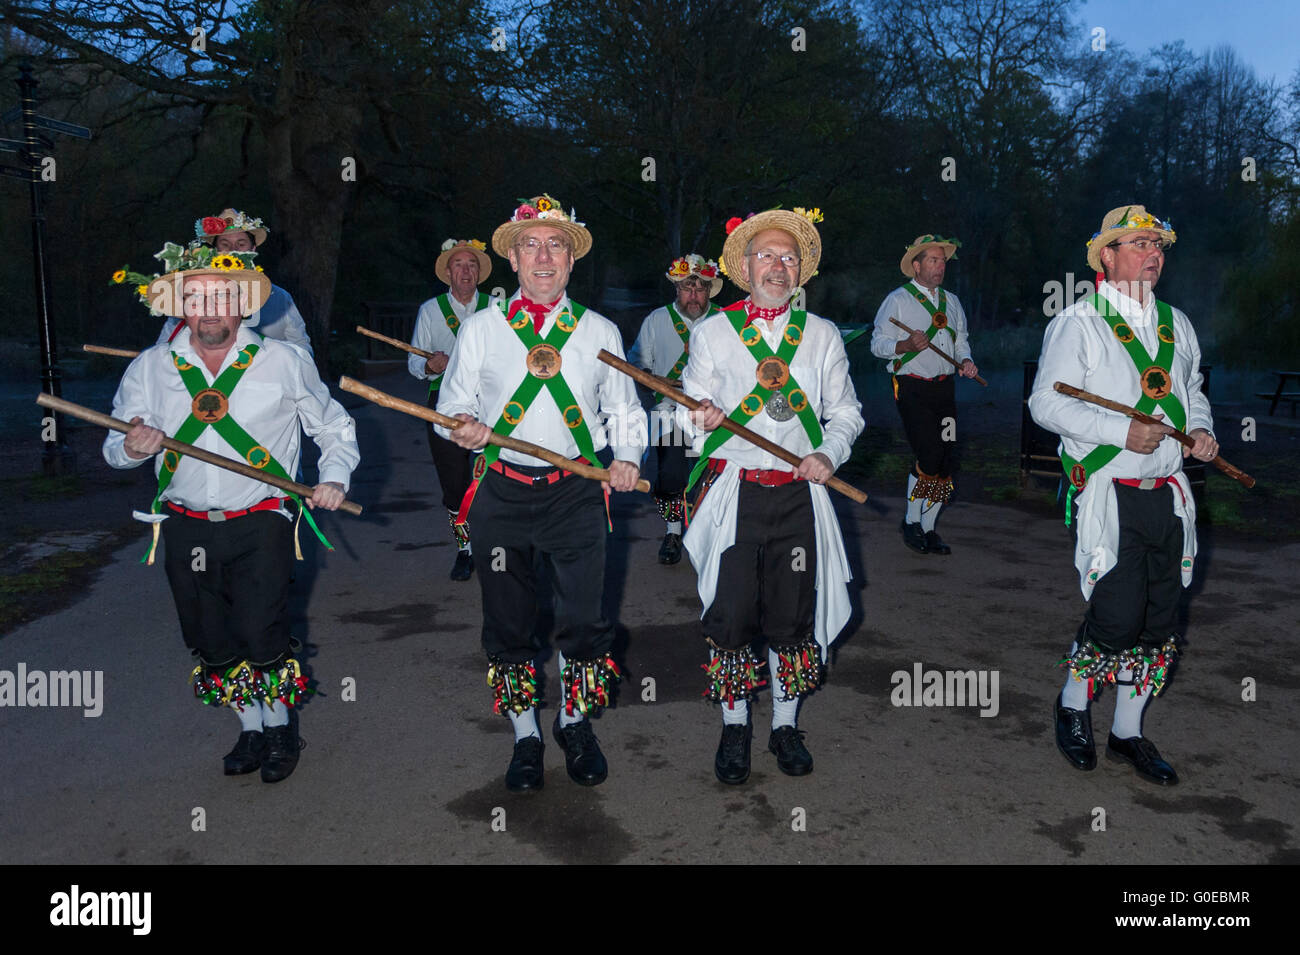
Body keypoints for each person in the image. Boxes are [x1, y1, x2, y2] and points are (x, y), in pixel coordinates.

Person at [104, 241, 359, 783]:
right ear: (180, 307)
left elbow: (333, 426)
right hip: (183, 523)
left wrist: (334, 477)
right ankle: (250, 727)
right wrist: (132, 446)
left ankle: (280, 727)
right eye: (197, 298)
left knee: (260, 627)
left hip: (262, 517)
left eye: (222, 297)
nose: (210, 309)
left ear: (243, 304)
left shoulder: (283, 362)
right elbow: (113, 447)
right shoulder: (151, 368)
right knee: (209, 636)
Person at [435, 194, 647, 792]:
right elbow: (449, 405)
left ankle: (573, 722)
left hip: (576, 493)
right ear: (513, 258)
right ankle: (526, 734)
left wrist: (627, 458)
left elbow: (626, 411)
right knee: (509, 620)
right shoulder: (482, 329)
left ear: (571, 260)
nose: (544, 255)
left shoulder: (601, 331)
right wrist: (461, 425)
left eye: (556, 244)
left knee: (585, 618)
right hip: (500, 494)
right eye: (532, 244)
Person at [1029, 204, 1219, 786]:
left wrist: (1203, 430)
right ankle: (1073, 705)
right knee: (1115, 615)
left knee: (1160, 618)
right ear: (1107, 257)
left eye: (1158, 245)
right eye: (1139, 244)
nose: (1153, 254)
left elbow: (1192, 389)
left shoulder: (1177, 323)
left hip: (1169, 492)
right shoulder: (1077, 322)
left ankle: (1128, 732)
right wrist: (1120, 431)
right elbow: (1046, 404)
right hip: (1108, 492)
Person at [679, 207, 863, 784]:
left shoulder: (824, 335)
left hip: (799, 499)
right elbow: (686, 420)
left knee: (792, 617)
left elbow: (847, 413)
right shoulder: (711, 333)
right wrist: (703, 420)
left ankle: (785, 725)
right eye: (766, 255)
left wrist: (827, 455)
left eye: (788, 257)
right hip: (736, 495)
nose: (777, 266)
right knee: (731, 616)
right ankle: (735, 726)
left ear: (800, 270)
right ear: (744, 267)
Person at [870, 234, 979, 555]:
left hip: (944, 386)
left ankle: (929, 528)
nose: (940, 265)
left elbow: (961, 342)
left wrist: (967, 361)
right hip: (911, 385)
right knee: (929, 453)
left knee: (945, 458)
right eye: (933, 259)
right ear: (916, 266)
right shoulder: (898, 300)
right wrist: (903, 345)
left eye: (943, 260)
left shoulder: (953, 302)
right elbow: (877, 345)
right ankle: (911, 521)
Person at [628, 254, 722, 564]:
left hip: (720, 416)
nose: (693, 295)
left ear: (710, 290)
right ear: (676, 290)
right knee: (670, 477)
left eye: (700, 289)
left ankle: (715, 537)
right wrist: (649, 381)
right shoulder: (656, 320)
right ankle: (673, 530)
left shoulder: (727, 320)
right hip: (669, 412)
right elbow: (637, 364)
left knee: (719, 476)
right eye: (686, 288)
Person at [409, 238, 494, 580]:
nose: (465, 270)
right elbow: (414, 364)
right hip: (444, 404)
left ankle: (499, 546)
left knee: (499, 474)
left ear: (480, 273)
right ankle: (465, 549)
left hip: (493, 402)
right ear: (447, 272)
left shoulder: (497, 307)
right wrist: (431, 365)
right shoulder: (430, 311)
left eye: (471, 264)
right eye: (458, 265)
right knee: (454, 481)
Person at [156, 208, 313, 355]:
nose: (233, 250)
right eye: (225, 244)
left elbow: (302, 349)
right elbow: (163, 349)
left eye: (241, 243)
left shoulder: (279, 298)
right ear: (215, 252)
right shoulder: (190, 296)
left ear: (253, 249)